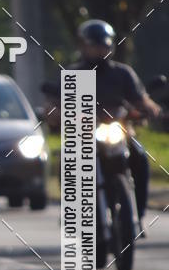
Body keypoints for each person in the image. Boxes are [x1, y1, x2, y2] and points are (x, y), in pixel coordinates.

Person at [47, 19, 161, 221]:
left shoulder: (123, 73)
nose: (100, 50)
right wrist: (55, 114)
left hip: (119, 133)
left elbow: (140, 99)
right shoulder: (73, 73)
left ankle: (139, 215)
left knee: (140, 157)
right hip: (84, 137)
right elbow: (56, 104)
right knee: (67, 158)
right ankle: (70, 210)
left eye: (104, 45)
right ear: (83, 46)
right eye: (95, 45)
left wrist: (151, 109)